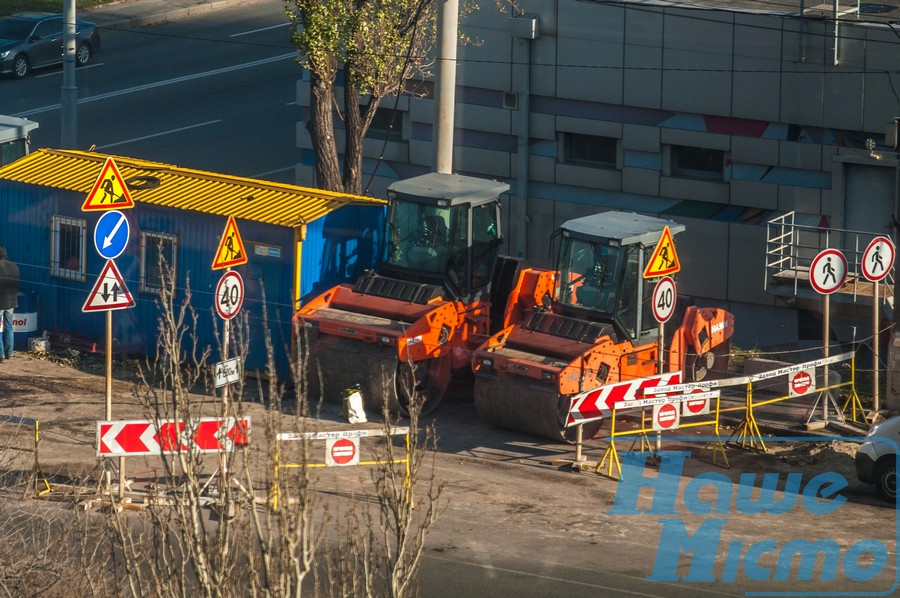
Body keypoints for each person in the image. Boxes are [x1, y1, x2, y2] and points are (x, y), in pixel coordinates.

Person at [0, 245, 20, 362]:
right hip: (12, 301)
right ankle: (9, 353)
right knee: (9, 326)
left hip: (0, 301)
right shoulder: (14, 267)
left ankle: (1, 355)